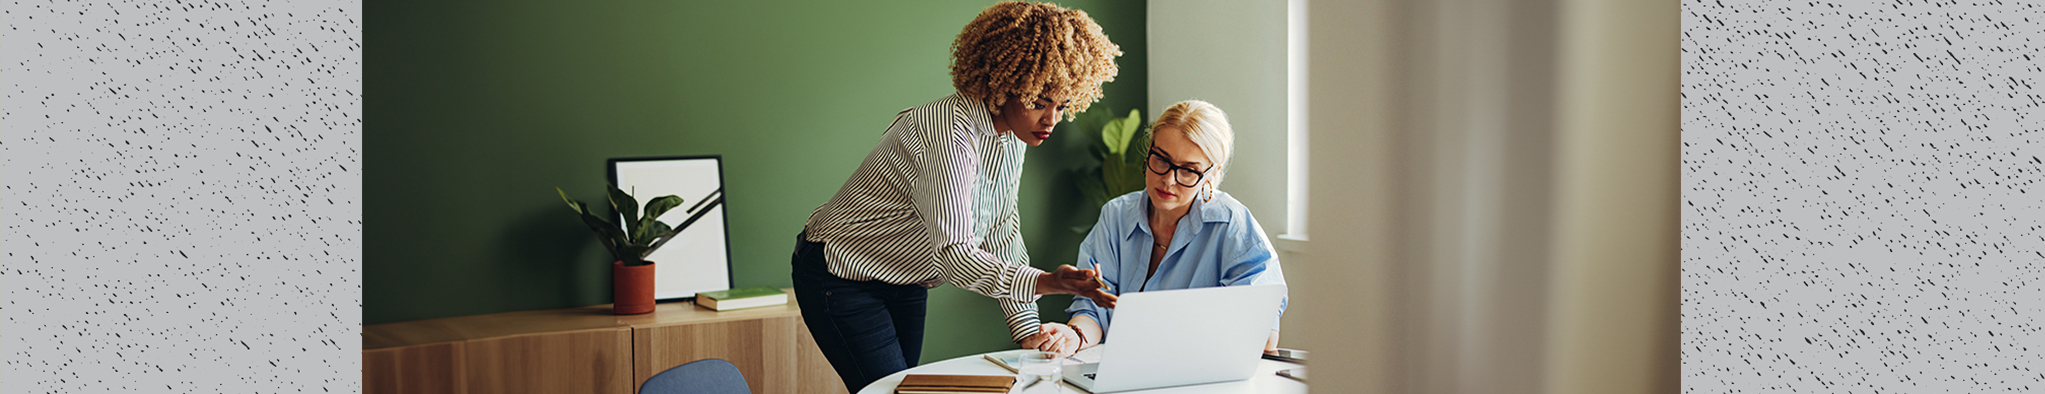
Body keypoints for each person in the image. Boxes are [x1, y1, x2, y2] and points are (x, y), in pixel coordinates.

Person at [791, 2, 1123, 391]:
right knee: (888, 391)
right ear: (1004, 82)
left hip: (906, 277)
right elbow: (954, 255)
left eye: (1061, 105)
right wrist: (1049, 282)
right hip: (842, 273)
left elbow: (1001, 233)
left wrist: (1028, 329)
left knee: (903, 388)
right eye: (1038, 102)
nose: (1051, 119)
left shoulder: (1010, 136)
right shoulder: (946, 133)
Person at [1023, 100, 1288, 356]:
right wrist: (1075, 336)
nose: (1168, 180)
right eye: (1161, 160)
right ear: (1149, 151)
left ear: (1210, 174)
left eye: (1188, 171)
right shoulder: (1116, 216)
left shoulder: (1232, 225)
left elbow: (1265, 335)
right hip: (1123, 368)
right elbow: (1094, 307)